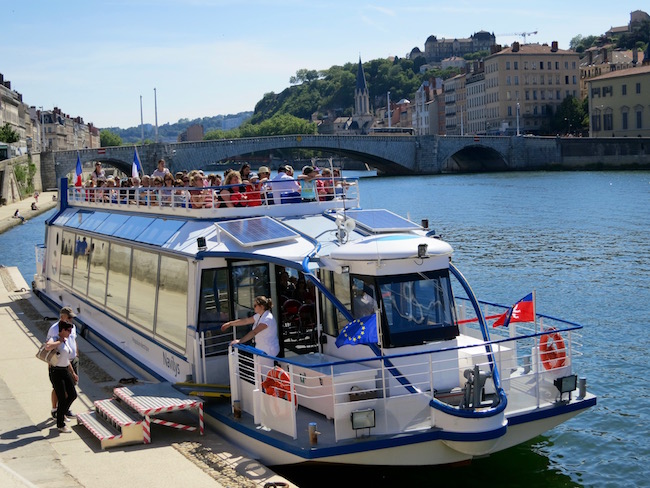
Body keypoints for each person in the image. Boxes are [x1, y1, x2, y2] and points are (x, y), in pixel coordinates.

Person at [221, 296, 279, 371]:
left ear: (261, 306)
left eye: (255, 305)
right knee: (261, 374)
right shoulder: (259, 315)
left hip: (268, 351)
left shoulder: (267, 319)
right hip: (261, 349)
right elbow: (245, 321)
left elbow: (254, 332)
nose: (253, 307)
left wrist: (240, 341)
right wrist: (229, 324)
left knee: (265, 375)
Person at [46, 306, 79, 432]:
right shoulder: (56, 336)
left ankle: (62, 411)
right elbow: (48, 346)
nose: (70, 334)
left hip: (65, 369)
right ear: (62, 331)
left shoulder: (68, 334)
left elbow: (66, 357)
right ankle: (60, 423)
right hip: (56, 371)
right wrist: (60, 340)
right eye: (68, 332)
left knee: (72, 394)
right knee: (61, 395)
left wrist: (73, 372)